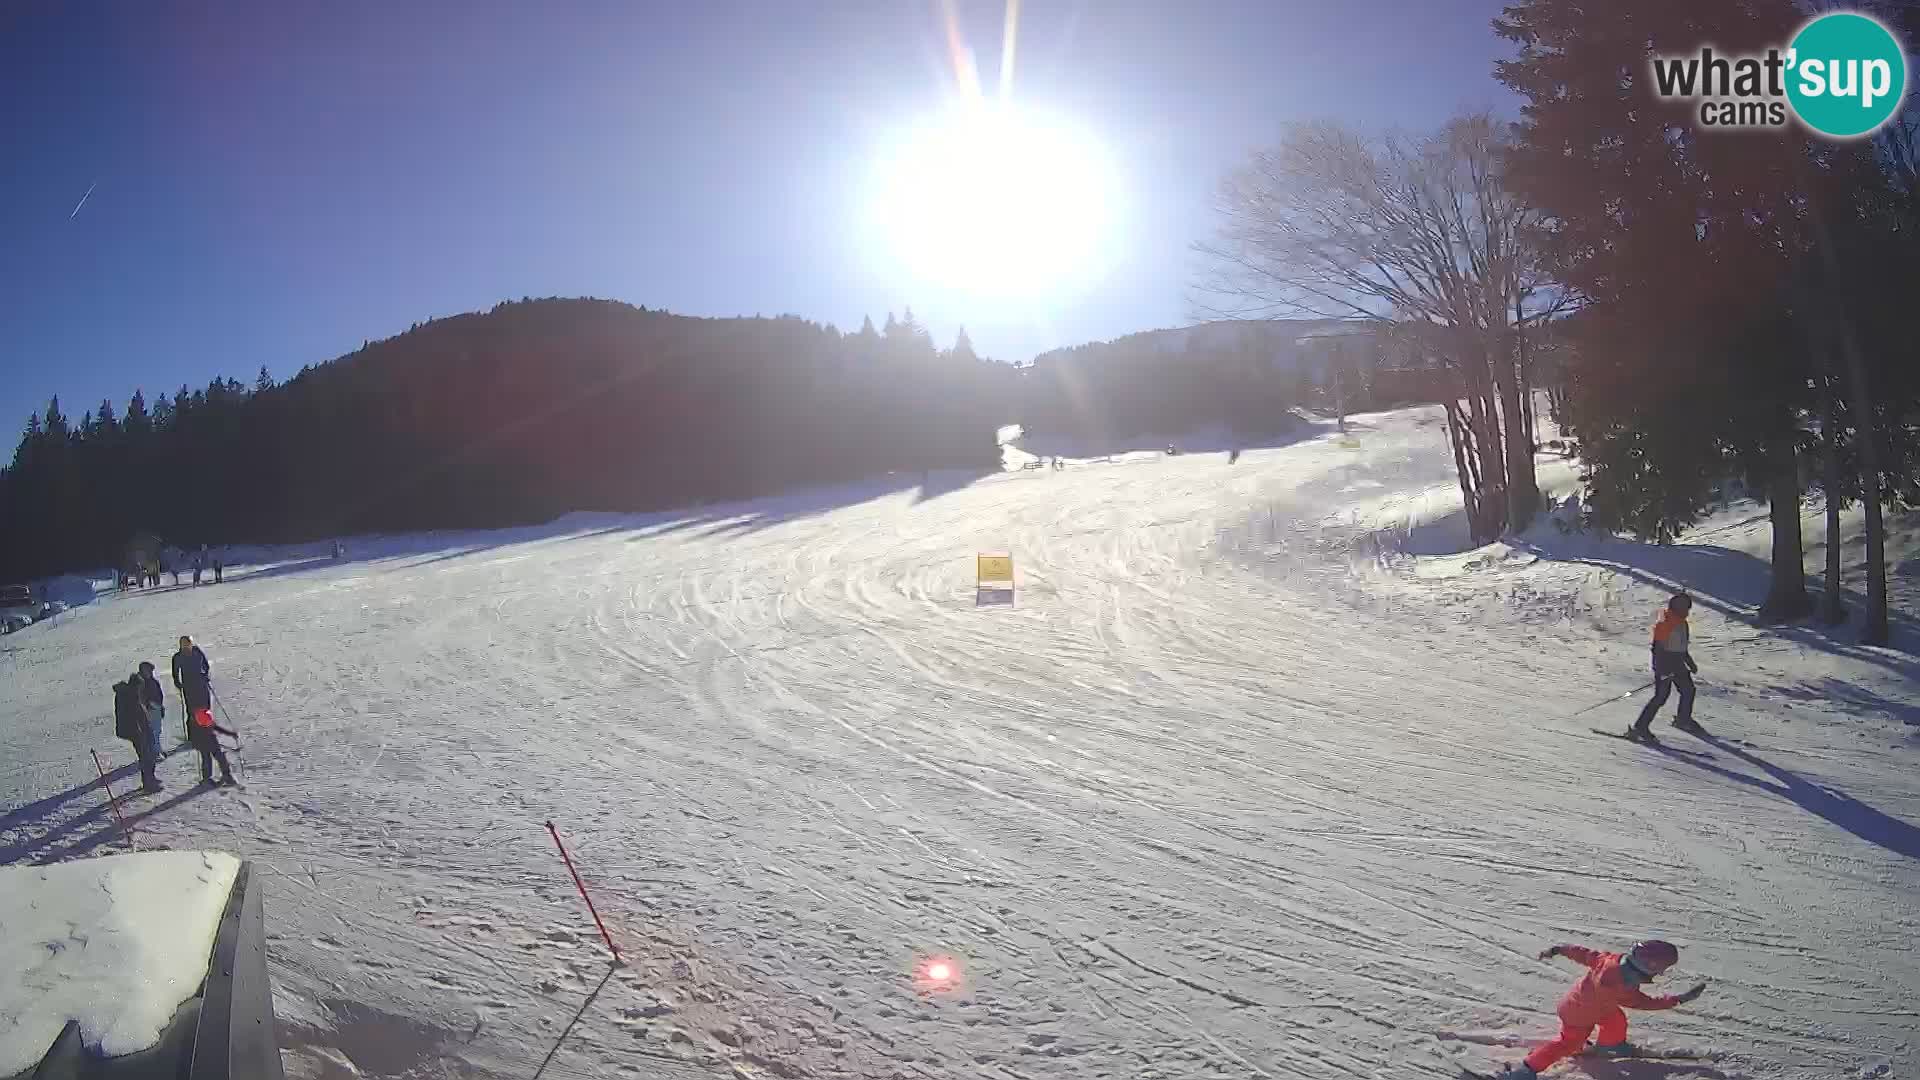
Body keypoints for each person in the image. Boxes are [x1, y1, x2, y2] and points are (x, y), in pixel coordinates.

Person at [1497, 940, 1706, 1078]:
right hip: (1578, 1015)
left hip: (1591, 1005)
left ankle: (1610, 1045)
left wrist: (1558, 949)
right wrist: (1677, 1000)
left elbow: (1585, 954)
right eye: (1662, 969)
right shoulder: (1620, 986)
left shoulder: (1610, 961)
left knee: (1615, 1020)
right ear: (1650, 966)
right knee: (1568, 1043)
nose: (1662, 973)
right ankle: (1527, 1069)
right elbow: (1644, 1002)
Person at [1628, 592, 1699, 742]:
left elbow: (1681, 646)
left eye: (1688, 608)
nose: (1687, 611)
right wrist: (1662, 670)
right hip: (1665, 663)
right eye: (1685, 608)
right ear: (1676, 607)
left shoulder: (1681, 622)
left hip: (1678, 662)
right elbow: (1657, 648)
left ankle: (1683, 719)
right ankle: (1640, 727)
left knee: (1688, 690)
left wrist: (1689, 662)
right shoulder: (1666, 622)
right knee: (1661, 697)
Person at [112, 674, 162, 793]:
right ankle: (149, 783)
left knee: (147, 756)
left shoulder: (126, 694)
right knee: (146, 757)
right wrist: (144, 728)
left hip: (136, 730)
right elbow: (135, 715)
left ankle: (150, 780)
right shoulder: (130, 696)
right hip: (136, 731)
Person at [186, 700, 239, 787]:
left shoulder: (203, 717)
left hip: (210, 740)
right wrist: (195, 743)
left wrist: (231, 733)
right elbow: (194, 736)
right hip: (204, 741)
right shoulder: (196, 725)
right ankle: (209, 778)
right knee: (209, 758)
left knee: (217, 757)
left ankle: (225, 776)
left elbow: (215, 727)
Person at [172, 635, 212, 740]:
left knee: (205, 708)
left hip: (201, 684)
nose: (186, 646)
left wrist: (205, 675)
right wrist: (178, 684)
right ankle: (193, 736)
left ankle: (207, 732)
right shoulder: (178, 657)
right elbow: (175, 673)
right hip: (189, 687)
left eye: (188, 643)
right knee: (192, 711)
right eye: (184, 644)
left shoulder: (196, 651)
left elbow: (206, 665)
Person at [136, 660, 168, 758]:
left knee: (157, 731)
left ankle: (157, 750)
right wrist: (147, 706)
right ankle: (155, 752)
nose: (149, 673)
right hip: (148, 711)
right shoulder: (141, 684)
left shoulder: (153, 682)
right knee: (152, 732)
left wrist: (160, 707)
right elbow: (140, 698)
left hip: (156, 709)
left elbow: (159, 695)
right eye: (147, 671)